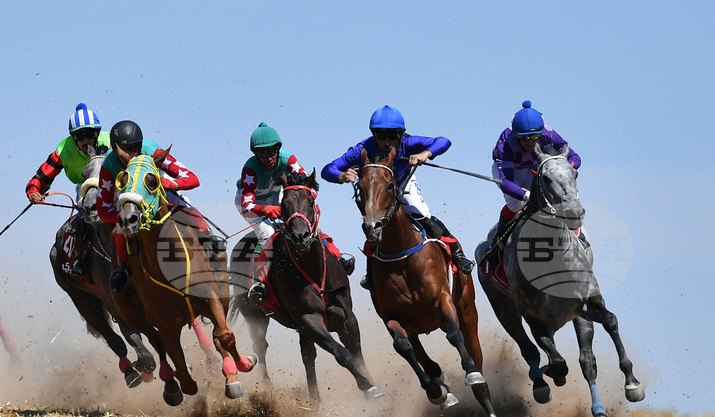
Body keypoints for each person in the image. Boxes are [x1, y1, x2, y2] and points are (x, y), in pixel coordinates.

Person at [322, 105, 474, 289]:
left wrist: (425, 153)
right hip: (378, 192)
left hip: (402, 185)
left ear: (401, 134)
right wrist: (341, 176)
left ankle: (457, 254)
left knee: (422, 216)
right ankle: (372, 273)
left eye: (392, 135)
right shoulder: (361, 149)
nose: (387, 141)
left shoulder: (408, 143)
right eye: (381, 135)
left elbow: (444, 141)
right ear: (373, 134)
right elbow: (327, 169)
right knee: (372, 224)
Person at [235, 122, 355, 303]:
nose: (268, 157)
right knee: (268, 233)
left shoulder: (288, 159)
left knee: (304, 223)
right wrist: (265, 209)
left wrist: (308, 201)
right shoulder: (250, 168)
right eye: (262, 153)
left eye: (272, 151)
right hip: (252, 204)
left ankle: (336, 258)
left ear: (279, 148)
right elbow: (246, 204)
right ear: (255, 154)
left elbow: (310, 184)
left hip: (278, 197)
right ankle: (259, 282)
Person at [96, 119, 219, 291]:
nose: (132, 154)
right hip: (131, 203)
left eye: (136, 148)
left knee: (184, 205)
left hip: (158, 194)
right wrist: (124, 217)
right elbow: (103, 210)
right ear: (114, 149)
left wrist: (171, 184)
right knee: (118, 231)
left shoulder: (152, 150)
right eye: (126, 150)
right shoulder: (108, 164)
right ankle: (122, 269)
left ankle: (208, 238)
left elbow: (193, 179)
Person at [480, 100, 582, 267]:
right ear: (516, 135)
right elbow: (506, 182)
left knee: (564, 194)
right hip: (512, 172)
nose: (530, 142)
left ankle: (578, 236)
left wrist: (564, 167)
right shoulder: (505, 143)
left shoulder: (550, 134)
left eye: (535, 137)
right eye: (524, 139)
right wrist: (525, 194)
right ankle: (497, 245)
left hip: (537, 167)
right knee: (516, 205)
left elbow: (575, 158)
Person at [24, 103, 111, 276]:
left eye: (90, 134)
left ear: (98, 133)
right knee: (86, 208)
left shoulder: (112, 141)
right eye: (80, 136)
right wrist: (33, 191)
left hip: (112, 181)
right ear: (72, 137)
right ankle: (79, 257)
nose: (86, 141)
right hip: (85, 185)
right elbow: (40, 177)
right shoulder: (63, 150)